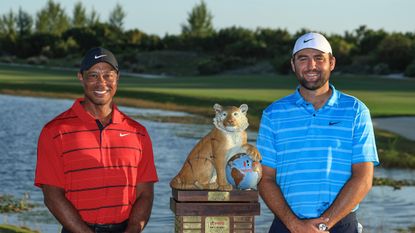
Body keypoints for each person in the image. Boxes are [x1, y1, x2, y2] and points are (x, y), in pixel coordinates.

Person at [256, 32, 379, 233]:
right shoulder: (273, 114)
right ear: (293, 65)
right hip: (287, 225)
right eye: (303, 58)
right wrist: (295, 225)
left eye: (318, 58)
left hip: (340, 224)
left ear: (331, 63)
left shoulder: (356, 111)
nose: (311, 65)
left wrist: (323, 225)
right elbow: (265, 178)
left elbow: (363, 177)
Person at [34, 47, 158, 233]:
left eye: (108, 75)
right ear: (80, 77)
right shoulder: (54, 131)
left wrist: (132, 229)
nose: (101, 82)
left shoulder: (137, 133)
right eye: (93, 75)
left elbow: (145, 194)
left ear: (117, 78)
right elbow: (52, 196)